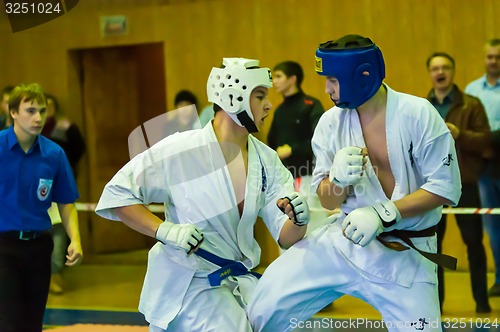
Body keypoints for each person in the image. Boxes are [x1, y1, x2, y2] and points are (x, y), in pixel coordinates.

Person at [247, 34, 461, 332]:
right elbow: (328, 200)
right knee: (263, 305)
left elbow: (445, 189)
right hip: (343, 242)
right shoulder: (330, 123)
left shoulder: (418, 114)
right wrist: (338, 181)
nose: (326, 88)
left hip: (406, 256)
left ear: (362, 75)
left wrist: (383, 213)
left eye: (333, 79)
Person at [95, 58, 309, 331]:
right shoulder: (181, 150)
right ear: (235, 99)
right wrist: (164, 231)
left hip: (237, 279)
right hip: (191, 282)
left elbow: (286, 236)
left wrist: (299, 220)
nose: (268, 104)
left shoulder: (266, 160)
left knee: (290, 325)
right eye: (260, 96)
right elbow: (117, 194)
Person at [0, 83, 83, 332]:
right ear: (13, 112)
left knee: (32, 321)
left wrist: (75, 240)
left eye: (42, 111)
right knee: (8, 320)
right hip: (3, 247)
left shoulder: (54, 154)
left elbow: (66, 202)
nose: (38, 118)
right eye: (30, 111)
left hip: (38, 247)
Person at [426, 52, 491, 313]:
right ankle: (435, 304)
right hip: (432, 188)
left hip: (465, 183)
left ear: (453, 71)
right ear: (429, 73)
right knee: (432, 246)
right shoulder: (422, 107)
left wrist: (459, 134)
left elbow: (486, 142)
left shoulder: (471, 104)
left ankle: (482, 303)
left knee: (474, 243)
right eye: (435, 68)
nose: (440, 72)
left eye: (445, 67)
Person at [267, 61, 327, 229]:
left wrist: (293, 149)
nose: (274, 82)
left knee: (314, 228)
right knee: (286, 226)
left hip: (308, 176)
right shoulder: (279, 111)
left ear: (292, 79)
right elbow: (272, 143)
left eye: (279, 76)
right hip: (285, 179)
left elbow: (321, 142)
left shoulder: (311, 105)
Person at [465, 38, 500, 297]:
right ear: (484, 58)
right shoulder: (472, 91)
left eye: (498, 57)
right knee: (491, 227)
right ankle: (499, 278)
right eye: (490, 56)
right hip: (484, 169)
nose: (494, 61)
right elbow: (471, 132)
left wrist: (489, 140)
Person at [41, 93, 86, 294]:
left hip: (57, 189)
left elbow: (79, 148)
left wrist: (76, 240)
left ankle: (56, 275)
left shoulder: (64, 129)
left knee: (59, 238)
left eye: (45, 109)